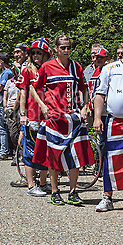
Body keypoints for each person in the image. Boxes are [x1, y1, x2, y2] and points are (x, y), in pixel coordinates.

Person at [31, 35, 93, 205]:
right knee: (53, 156)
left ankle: (73, 192)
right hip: (54, 117)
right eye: (63, 48)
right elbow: (33, 87)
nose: (66, 51)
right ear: (56, 49)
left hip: (73, 117)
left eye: (68, 47)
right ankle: (55, 191)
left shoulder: (76, 66)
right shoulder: (47, 66)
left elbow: (84, 88)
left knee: (76, 155)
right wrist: (43, 106)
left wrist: (85, 106)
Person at [93, 35, 123, 212]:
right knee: (110, 158)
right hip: (114, 120)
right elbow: (100, 94)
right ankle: (107, 196)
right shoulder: (109, 68)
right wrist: (97, 117)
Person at [10, 38, 50, 196]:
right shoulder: (27, 70)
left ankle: (43, 183)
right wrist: (22, 114)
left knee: (45, 149)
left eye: (39, 53)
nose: (35, 55)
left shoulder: (49, 68)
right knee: (30, 149)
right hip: (32, 115)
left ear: (45, 54)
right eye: (33, 53)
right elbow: (23, 93)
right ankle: (31, 185)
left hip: (48, 115)